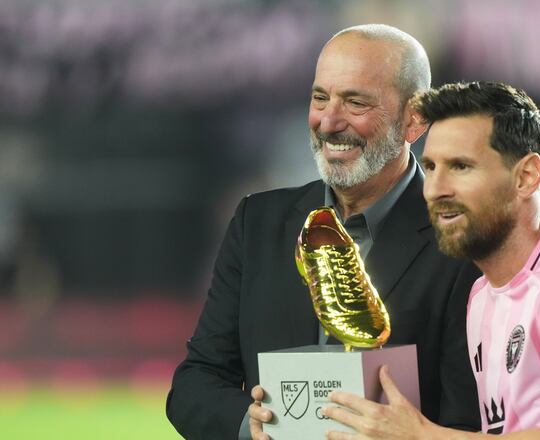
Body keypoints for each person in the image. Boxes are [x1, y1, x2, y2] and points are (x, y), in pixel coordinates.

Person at [165, 25, 481, 440]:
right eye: (320, 98)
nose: (329, 122)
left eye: (355, 102)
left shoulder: (463, 240)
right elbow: (195, 384)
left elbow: (475, 418)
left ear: (414, 119)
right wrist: (251, 425)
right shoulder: (257, 222)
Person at [324, 81, 540, 439]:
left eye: (460, 167)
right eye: (431, 166)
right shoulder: (482, 292)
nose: (436, 188)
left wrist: (421, 435)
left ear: (526, 176)